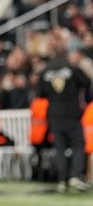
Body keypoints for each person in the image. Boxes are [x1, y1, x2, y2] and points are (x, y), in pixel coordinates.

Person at [38, 37, 92, 192]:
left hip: (54, 113)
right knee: (78, 145)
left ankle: (62, 179)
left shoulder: (45, 70)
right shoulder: (72, 68)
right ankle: (75, 175)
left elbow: (41, 93)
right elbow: (86, 82)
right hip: (72, 112)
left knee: (60, 147)